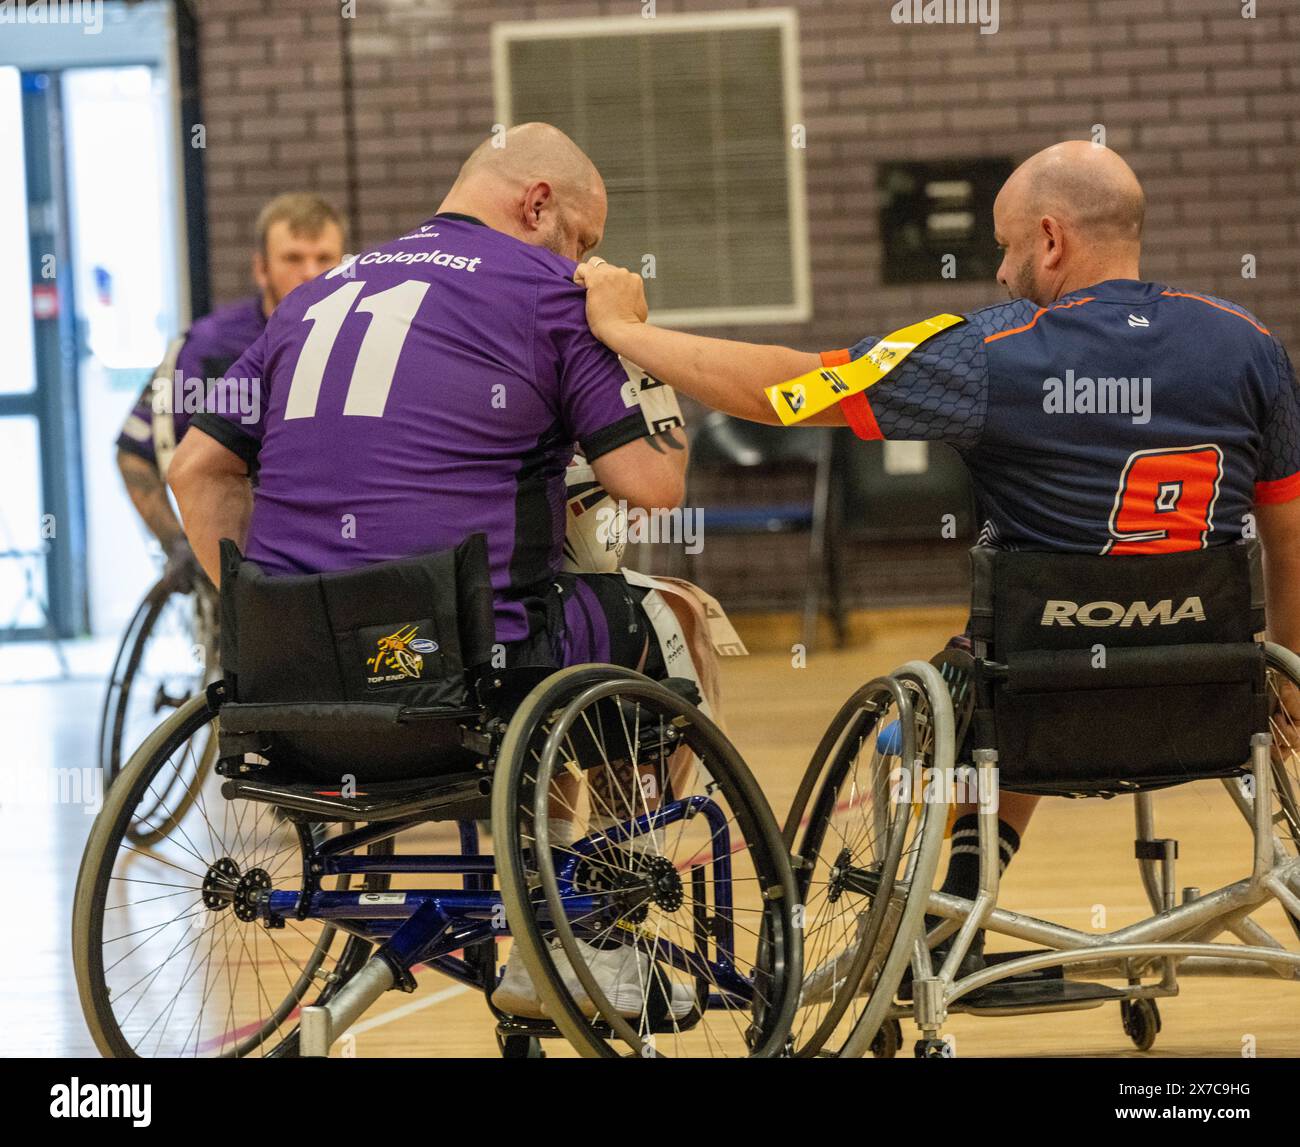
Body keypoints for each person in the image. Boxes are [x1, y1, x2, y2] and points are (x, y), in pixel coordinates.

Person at [575, 139, 1300, 972]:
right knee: (1032, 645)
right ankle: (966, 886)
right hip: (1206, 696)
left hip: (1035, 696)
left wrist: (629, 331)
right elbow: (1288, 530)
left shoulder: (988, 352)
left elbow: (787, 388)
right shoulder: (1250, 345)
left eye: (1006, 245)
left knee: (981, 678)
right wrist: (1283, 670)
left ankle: (951, 902)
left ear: (1052, 240)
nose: (999, 272)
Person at [168, 123, 700, 1019]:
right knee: (665, 622)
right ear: (539, 205)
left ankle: (548, 908)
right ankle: (586, 928)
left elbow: (194, 470)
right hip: (457, 682)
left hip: (294, 690)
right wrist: (633, 334)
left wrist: (286, 620)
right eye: (584, 239)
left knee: (535, 621)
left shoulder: (310, 298)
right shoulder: (555, 296)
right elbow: (654, 481)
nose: (586, 260)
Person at [115, 193, 345, 590]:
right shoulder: (206, 347)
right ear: (261, 268)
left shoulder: (369, 337)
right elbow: (135, 453)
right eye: (293, 258)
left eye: (324, 259)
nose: (310, 273)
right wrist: (178, 544)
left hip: (341, 556)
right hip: (245, 568)